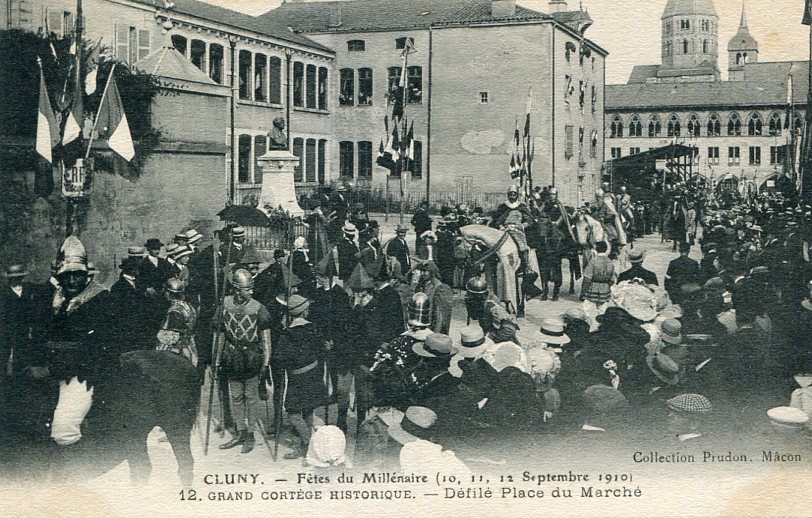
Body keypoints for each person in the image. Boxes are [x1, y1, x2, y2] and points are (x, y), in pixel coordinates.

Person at [214, 269, 271, 454]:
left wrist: (265, 363)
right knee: (236, 397)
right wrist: (216, 360)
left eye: (252, 288)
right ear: (237, 289)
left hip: (252, 357)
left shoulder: (258, 308)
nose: (251, 292)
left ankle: (251, 434)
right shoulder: (224, 305)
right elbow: (220, 334)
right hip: (232, 357)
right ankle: (240, 431)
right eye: (247, 289)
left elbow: (265, 339)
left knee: (251, 398)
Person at [275, 294, 328, 459]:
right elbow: (322, 350)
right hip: (313, 374)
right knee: (308, 409)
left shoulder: (288, 334)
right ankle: (307, 445)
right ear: (304, 312)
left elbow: (279, 359)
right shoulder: (313, 328)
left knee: (292, 412)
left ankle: (308, 443)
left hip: (297, 378)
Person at [156, 278, 198, 367]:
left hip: (176, 350)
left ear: (167, 294)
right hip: (189, 346)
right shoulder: (188, 306)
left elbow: (170, 337)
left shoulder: (175, 311)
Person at [413, 261, 453, 335]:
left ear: (432, 272)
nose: (422, 274)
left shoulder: (439, 287)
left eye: (425, 271)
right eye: (421, 271)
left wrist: (436, 333)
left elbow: (441, 314)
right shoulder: (421, 285)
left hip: (433, 326)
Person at [580, 241, 615, 308]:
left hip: (592, 289)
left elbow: (587, 279)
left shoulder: (593, 261)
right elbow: (612, 280)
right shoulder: (610, 262)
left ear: (596, 249)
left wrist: (583, 292)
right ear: (606, 249)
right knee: (602, 311)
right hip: (604, 291)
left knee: (586, 310)